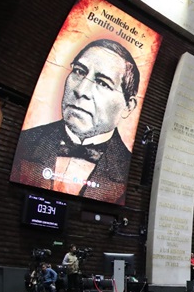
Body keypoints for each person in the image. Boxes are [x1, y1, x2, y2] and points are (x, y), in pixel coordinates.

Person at [10, 39, 141, 204]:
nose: (81, 90)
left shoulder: (128, 171)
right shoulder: (27, 141)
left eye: (102, 83)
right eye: (79, 71)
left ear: (128, 106)